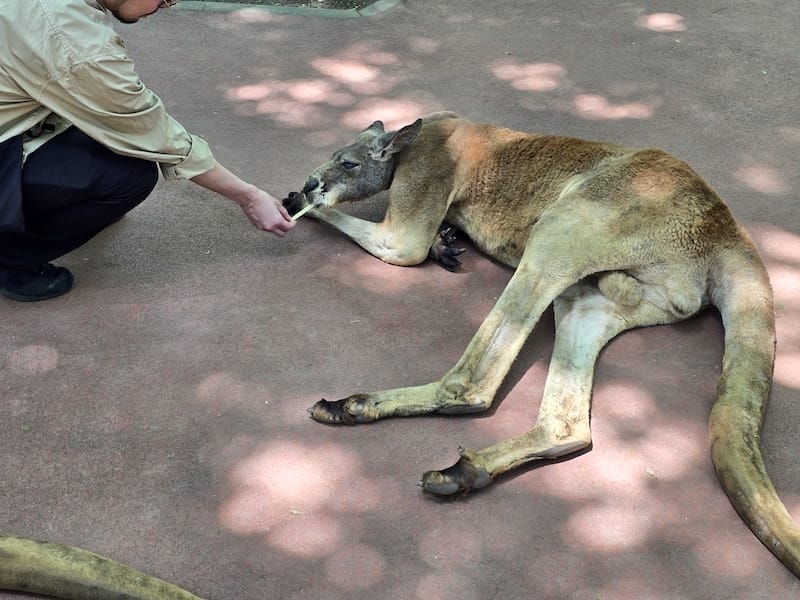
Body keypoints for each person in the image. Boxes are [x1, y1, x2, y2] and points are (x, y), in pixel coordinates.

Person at [0, 0, 295, 302]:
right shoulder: (73, 42)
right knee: (131, 174)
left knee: (98, 133)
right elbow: (153, 132)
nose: (167, 6)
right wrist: (248, 196)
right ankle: (11, 260)